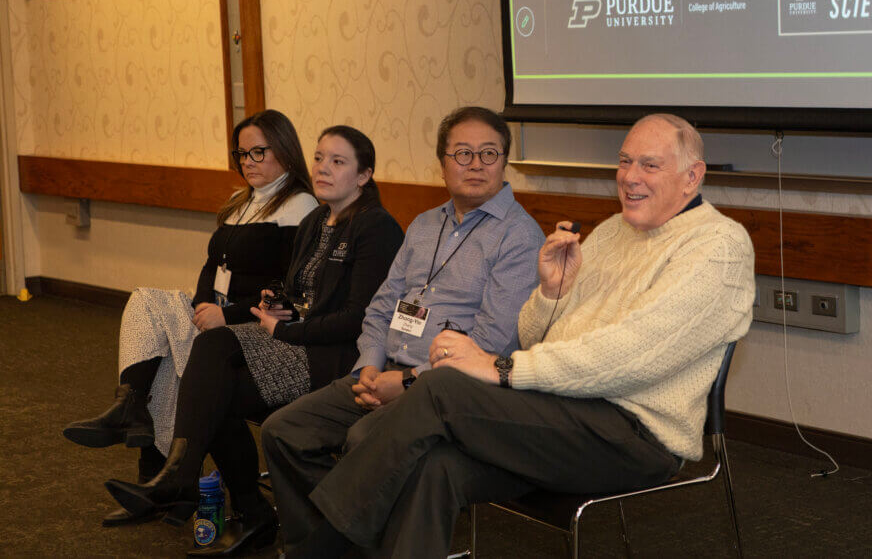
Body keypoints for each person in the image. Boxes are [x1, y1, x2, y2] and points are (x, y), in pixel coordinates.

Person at [274, 113, 757, 559]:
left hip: (633, 432)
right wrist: (550, 295)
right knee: (435, 466)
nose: (630, 177)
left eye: (649, 165)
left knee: (440, 389)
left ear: (692, 176)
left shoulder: (718, 247)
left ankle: (319, 550)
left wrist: (500, 368)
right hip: (561, 407)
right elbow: (537, 336)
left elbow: (627, 357)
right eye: (625, 161)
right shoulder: (614, 231)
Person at [101, 125, 405, 555]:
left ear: (364, 175)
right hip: (298, 340)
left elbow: (359, 319)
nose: (323, 168)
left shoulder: (376, 227)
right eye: (319, 158)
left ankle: (205, 487)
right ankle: (226, 498)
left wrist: (287, 330)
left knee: (214, 373)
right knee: (212, 369)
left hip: (336, 357)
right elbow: (301, 293)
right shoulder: (317, 220)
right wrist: (277, 303)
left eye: (338, 162)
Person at [260, 106, 545, 553]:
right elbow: (380, 306)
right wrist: (369, 367)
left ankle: (332, 545)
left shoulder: (520, 238)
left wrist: (409, 381)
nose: (475, 164)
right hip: (384, 368)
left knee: (363, 440)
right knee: (282, 431)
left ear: (504, 161)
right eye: (463, 153)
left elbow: (493, 343)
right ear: (442, 164)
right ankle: (329, 545)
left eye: (488, 153)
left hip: (447, 389)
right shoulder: (425, 224)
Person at [62, 109, 318, 526]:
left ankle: (160, 478)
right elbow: (211, 265)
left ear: (285, 151)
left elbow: (288, 291)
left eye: (258, 152)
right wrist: (201, 305)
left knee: (175, 362)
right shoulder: (242, 201)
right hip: (214, 314)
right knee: (146, 303)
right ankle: (130, 407)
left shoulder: (300, 206)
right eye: (242, 154)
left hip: (256, 325)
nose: (249, 162)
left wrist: (227, 314)